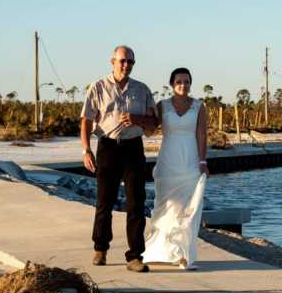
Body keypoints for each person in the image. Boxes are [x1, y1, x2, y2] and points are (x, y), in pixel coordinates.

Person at [80, 45, 157, 271]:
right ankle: (100, 249)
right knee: (104, 201)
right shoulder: (98, 87)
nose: (126, 65)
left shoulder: (142, 90)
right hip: (108, 147)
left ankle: (135, 256)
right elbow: (85, 120)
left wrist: (137, 119)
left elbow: (153, 124)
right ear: (112, 61)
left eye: (130, 62)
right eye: (122, 61)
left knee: (136, 203)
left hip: (133, 148)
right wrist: (86, 150)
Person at [142, 67, 208, 270]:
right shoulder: (163, 105)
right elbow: (151, 131)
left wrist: (203, 161)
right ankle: (159, 251)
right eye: (179, 81)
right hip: (168, 162)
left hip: (190, 161)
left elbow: (201, 134)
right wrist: (140, 117)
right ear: (172, 84)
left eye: (187, 81)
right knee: (165, 206)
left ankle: (182, 254)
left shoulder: (199, 106)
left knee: (188, 208)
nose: (183, 85)